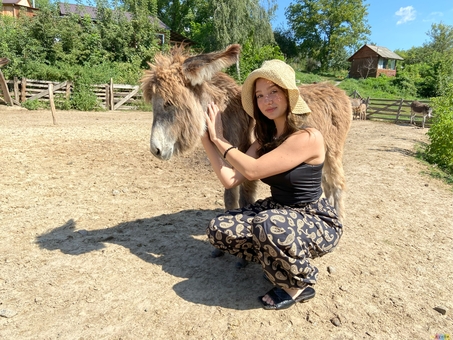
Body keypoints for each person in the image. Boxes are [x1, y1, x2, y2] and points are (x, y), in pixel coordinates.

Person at [201, 59, 343, 310]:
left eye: (274, 92)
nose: (267, 100)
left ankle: (299, 283)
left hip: (313, 217)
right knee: (219, 227)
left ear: (289, 95)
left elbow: (252, 170)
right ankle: (278, 258)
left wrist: (219, 138)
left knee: (268, 223)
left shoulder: (308, 137)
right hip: (279, 212)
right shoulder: (265, 139)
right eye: (260, 95)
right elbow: (230, 178)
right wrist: (205, 139)